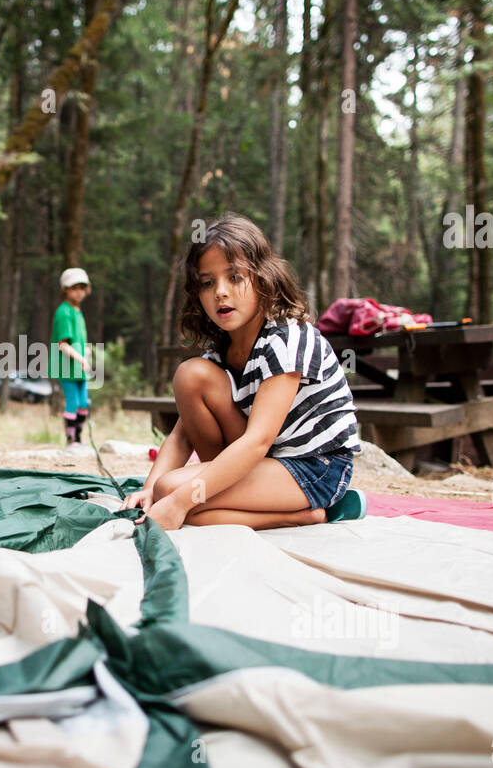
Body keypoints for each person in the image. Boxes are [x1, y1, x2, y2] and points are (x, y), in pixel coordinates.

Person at [123, 212, 366, 531]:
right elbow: (182, 435)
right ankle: (211, 495)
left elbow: (257, 441)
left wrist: (179, 499)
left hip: (315, 467)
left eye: (234, 277)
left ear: (263, 278)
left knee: (175, 494)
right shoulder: (220, 350)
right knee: (190, 376)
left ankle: (309, 514)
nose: (220, 292)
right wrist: (148, 489)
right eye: (207, 282)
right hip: (268, 462)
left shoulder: (286, 339)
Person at [50, 267, 93, 446]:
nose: (79, 292)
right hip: (67, 366)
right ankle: (71, 439)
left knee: (84, 402)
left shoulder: (77, 311)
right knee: (73, 402)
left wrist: (87, 353)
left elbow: (80, 340)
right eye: (74, 287)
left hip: (80, 367)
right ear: (65, 289)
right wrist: (80, 358)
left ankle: (79, 436)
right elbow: (63, 344)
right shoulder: (64, 312)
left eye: (82, 287)